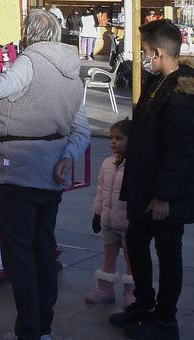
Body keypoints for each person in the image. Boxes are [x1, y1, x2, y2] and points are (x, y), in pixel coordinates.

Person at [0, 11, 90, 340]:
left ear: (28, 33)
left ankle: (28, 331)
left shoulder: (30, 60)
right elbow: (80, 129)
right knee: (43, 251)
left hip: (18, 171)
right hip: (51, 175)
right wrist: (68, 156)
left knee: (20, 257)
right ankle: (43, 328)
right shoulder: (72, 73)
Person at [112, 19, 194, 340]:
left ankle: (166, 320)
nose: (144, 57)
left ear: (158, 51)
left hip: (166, 193)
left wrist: (164, 196)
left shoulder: (181, 93)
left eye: (145, 52)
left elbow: (178, 151)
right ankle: (144, 304)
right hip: (145, 184)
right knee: (137, 242)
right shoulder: (159, 82)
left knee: (169, 252)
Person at [86, 119, 134, 307]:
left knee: (133, 258)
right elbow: (101, 192)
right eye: (112, 138)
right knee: (109, 254)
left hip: (129, 223)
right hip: (109, 221)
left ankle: (132, 291)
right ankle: (105, 289)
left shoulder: (136, 165)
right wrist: (97, 214)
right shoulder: (108, 163)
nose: (113, 142)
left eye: (119, 138)